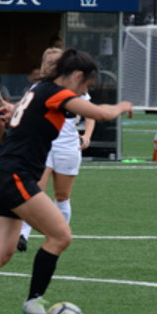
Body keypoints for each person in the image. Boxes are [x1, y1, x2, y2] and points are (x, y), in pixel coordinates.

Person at [0, 48, 132, 314]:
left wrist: (8, 109)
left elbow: (24, 113)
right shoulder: (56, 93)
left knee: (1, 252)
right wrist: (123, 106)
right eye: (86, 85)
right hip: (15, 176)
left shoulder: (38, 89)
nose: (84, 92)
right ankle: (33, 299)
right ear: (77, 76)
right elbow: (101, 113)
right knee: (61, 236)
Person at [17, 48, 96, 252]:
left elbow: (91, 114)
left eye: (56, 63)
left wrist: (87, 135)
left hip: (68, 146)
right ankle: (22, 235)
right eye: (49, 62)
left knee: (62, 195)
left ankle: (60, 234)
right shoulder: (38, 87)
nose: (52, 66)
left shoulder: (74, 88)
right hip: (44, 145)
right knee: (36, 190)